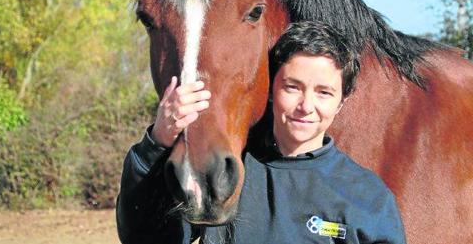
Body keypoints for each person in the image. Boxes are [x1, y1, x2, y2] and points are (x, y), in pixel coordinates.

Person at [117, 21, 406, 244]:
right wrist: (156, 142)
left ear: (341, 102)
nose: (306, 106)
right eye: (292, 87)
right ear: (270, 91)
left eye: (323, 92)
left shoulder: (369, 198)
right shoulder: (225, 175)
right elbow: (144, 236)